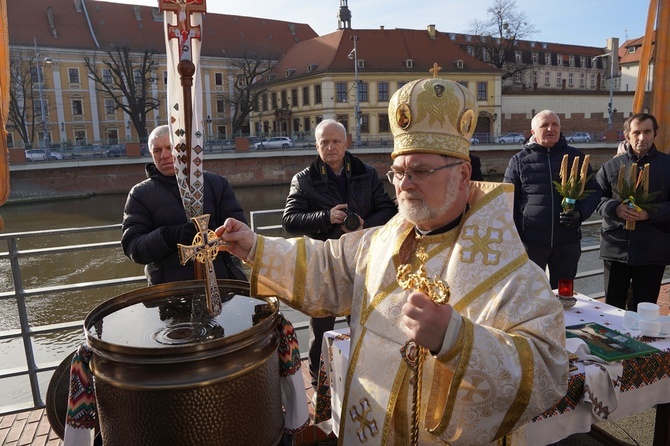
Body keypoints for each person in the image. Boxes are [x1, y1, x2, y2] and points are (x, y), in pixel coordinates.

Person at [217, 78, 567, 444]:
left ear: (463, 175)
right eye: (398, 172)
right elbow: (327, 265)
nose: (404, 184)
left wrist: (456, 339)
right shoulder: (383, 239)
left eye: (419, 171)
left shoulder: (512, 272)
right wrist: (255, 246)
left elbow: (547, 369)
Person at [282, 118, 397, 390]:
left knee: (361, 324)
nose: (330, 147)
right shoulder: (304, 178)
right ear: (316, 145)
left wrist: (365, 224)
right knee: (321, 329)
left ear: (347, 143)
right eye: (324, 142)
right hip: (324, 263)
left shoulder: (365, 173)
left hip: (361, 259)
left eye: (336, 141)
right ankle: (320, 386)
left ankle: (361, 382)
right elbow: (290, 220)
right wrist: (327, 217)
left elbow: (387, 210)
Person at [121, 124, 248, 285]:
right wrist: (168, 236)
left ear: (183, 149)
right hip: (172, 292)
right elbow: (133, 248)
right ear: (151, 154)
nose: (165, 155)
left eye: (170, 147)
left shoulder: (216, 184)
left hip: (224, 285)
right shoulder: (140, 194)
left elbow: (241, 232)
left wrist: (225, 232)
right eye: (157, 150)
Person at [503, 110, 600, 289]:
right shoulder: (519, 161)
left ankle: (563, 317)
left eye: (555, 124)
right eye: (544, 125)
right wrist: (515, 240)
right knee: (530, 293)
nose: (550, 129)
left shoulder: (576, 157)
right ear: (533, 132)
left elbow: (593, 191)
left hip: (567, 242)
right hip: (531, 244)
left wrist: (579, 214)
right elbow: (507, 201)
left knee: (564, 293)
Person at [595, 113, 670, 310]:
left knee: (644, 310)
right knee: (612, 310)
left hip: (652, 251)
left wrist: (650, 213)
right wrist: (615, 208)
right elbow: (595, 199)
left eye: (647, 132)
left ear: (655, 134)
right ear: (627, 136)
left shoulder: (667, 166)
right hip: (616, 249)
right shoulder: (611, 166)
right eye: (636, 132)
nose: (641, 137)